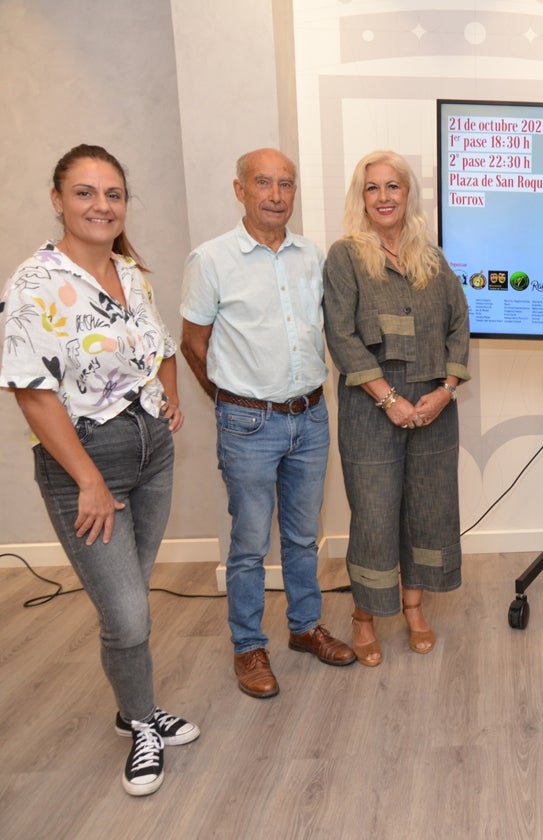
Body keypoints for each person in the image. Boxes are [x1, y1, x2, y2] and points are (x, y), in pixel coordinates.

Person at [0, 144, 198, 796]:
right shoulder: (32, 284)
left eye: (113, 194)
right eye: (85, 193)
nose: (101, 205)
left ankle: (129, 703)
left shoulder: (130, 272)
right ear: (58, 199)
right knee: (129, 614)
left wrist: (166, 394)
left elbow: (162, 345)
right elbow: (31, 390)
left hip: (152, 457)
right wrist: (86, 478)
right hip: (87, 465)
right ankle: (142, 722)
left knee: (132, 599)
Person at [180, 148, 354, 698]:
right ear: (240, 190)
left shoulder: (312, 256)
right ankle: (249, 646)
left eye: (286, 184)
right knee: (250, 544)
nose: (276, 195)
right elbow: (193, 343)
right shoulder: (210, 259)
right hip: (248, 425)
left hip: (310, 417)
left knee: (304, 537)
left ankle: (304, 628)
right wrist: (231, 399)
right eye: (263, 183)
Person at [322, 150, 469, 666]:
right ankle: (364, 617)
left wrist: (447, 388)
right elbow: (341, 337)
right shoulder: (345, 257)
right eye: (372, 188)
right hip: (371, 410)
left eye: (393, 187)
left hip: (433, 409)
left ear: (409, 195)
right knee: (375, 516)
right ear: (360, 198)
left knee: (429, 511)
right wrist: (389, 399)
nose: (384, 197)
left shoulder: (432, 258)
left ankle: (414, 610)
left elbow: (458, 325)